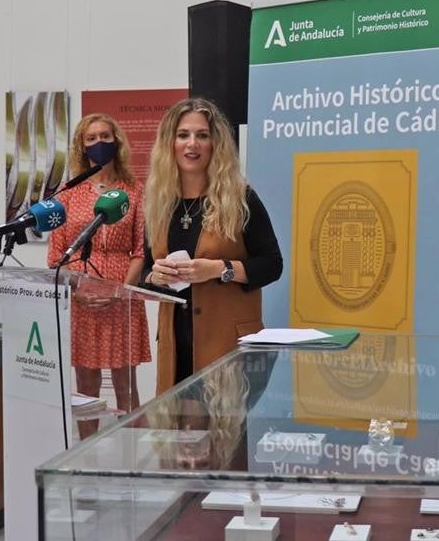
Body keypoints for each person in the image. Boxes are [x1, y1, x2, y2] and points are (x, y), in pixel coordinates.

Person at [141, 98, 283, 394]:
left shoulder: (241, 199)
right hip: (175, 346)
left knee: (225, 437)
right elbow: (146, 271)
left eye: (202, 135)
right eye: (183, 135)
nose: (192, 144)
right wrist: (156, 277)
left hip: (227, 348)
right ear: (170, 143)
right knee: (177, 436)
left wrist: (220, 269)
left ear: (215, 143)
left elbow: (271, 265)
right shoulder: (159, 203)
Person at [47, 113, 150, 437]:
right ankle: (86, 455)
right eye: (91, 138)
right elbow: (56, 256)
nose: (99, 143)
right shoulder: (67, 194)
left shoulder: (134, 190)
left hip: (123, 296)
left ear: (116, 141)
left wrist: (119, 290)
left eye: (105, 136)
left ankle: (132, 455)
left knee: (126, 383)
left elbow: (140, 250)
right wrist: (81, 293)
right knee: (86, 384)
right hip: (81, 299)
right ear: (81, 146)